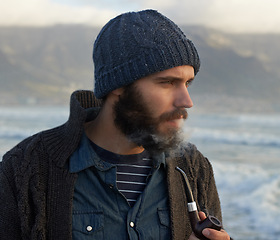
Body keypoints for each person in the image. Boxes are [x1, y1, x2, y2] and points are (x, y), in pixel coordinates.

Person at [0, 9, 231, 240]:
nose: (186, 101)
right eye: (168, 82)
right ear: (118, 85)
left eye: (187, 83)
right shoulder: (24, 168)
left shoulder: (194, 168)